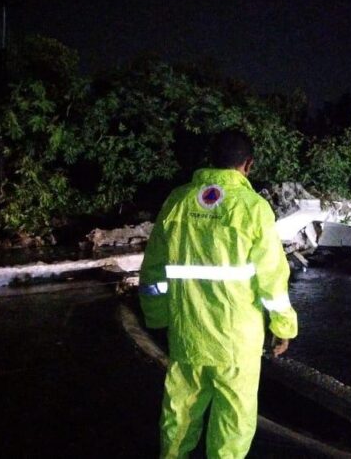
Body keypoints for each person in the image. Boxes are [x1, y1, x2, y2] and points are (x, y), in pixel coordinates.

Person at [138, 129, 298, 458]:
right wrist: (283, 328)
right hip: (237, 345)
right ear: (248, 165)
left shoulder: (178, 202)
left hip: (187, 336)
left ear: (212, 160)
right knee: (232, 425)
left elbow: (153, 272)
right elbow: (272, 279)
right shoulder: (254, 208)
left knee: (179, 417)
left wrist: (157, 317)